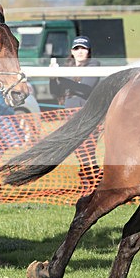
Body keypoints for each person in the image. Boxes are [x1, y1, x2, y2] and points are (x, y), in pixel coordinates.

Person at [49, 36, 101, 192]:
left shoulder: (94, 65)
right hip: (70, 117)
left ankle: (93, 183)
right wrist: (52, 78)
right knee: (79, 153)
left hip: (87, 117)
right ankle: (89, 182)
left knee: (87, 151)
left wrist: (61, 77)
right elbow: (55, 92)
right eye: (76, 48)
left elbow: (85, 87)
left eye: (83, 48)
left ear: (89, 51)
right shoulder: (67, 68)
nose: (80, 52)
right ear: (72, 51)